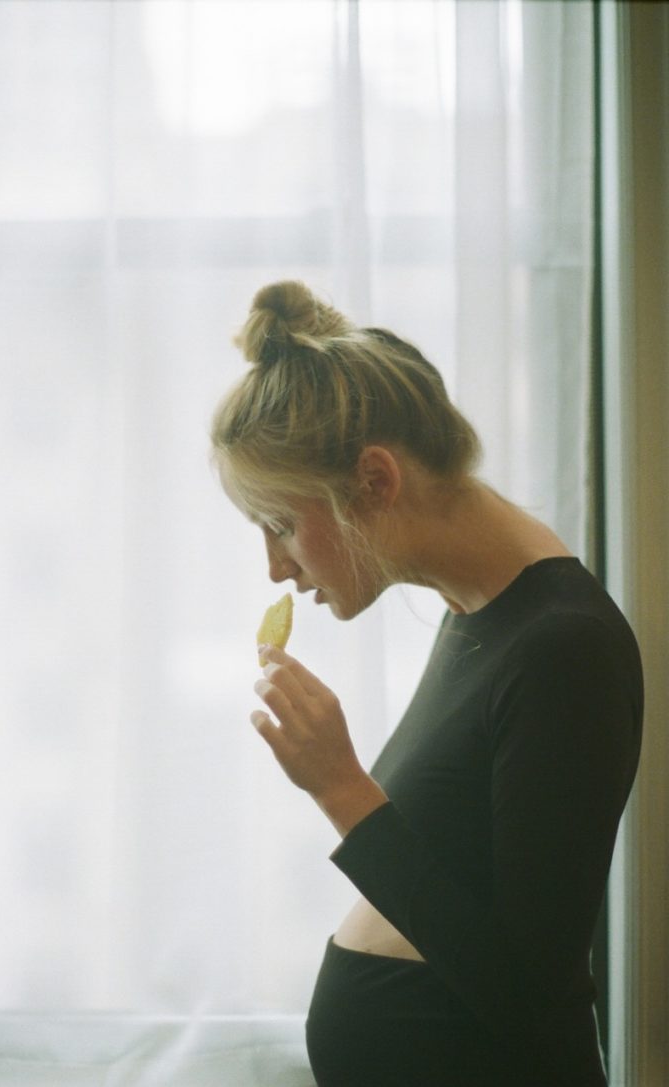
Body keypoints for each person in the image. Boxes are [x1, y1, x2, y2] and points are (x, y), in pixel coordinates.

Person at [210, 281, 643, 1087]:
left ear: (375, 480)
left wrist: (341, 788)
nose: (276, 565)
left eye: (281, 523)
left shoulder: (563, 649)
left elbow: (530, 994)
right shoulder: (476, 612)